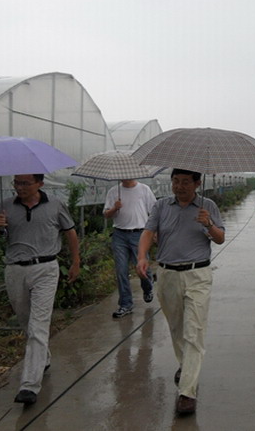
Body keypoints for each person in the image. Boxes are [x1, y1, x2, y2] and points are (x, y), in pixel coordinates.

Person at [0, 173, 80, 406]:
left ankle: (29, 385)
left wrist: (76, 262)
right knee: (26, 320)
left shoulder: (55, 205)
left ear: (40, 183)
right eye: (17, 183)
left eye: (25, 183)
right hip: (15, 269)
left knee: (39, 324)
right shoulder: (5, 206)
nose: (20, 187)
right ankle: (42, 358)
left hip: (45, 268)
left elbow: (70, 232)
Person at [136, 169, 225, 415]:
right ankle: (186, 365)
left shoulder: (208, 206)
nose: (179, 186)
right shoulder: (161, 206)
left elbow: (220, 238)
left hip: (198, 274)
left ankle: (187, 392)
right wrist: (142, 256)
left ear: (197, 183)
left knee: (194, 331)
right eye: (176, 181)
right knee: (177, 328)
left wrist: (208, 224)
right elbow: (148, 232)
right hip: (167, 274)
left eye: (186, 182)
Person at [104, 179, 157, 318]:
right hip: (119, 235)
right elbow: (106, 214)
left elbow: (154, 212)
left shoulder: (144, 189)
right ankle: (125, 304)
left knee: (142, 268)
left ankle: (148, 287)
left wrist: (154, 231)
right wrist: (115, 208)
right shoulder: (113, 191)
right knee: (121, 270)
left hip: (139, 233)